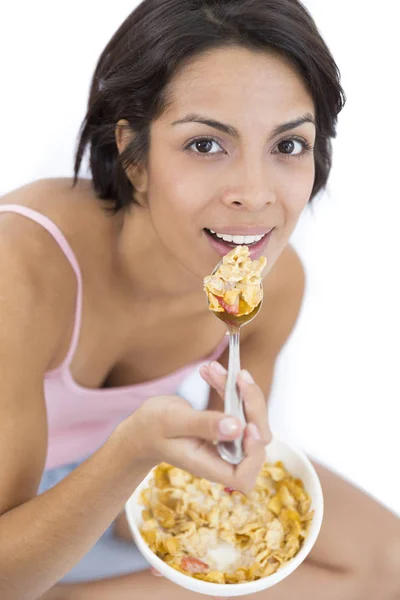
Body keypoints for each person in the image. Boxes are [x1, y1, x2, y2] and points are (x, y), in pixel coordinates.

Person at [0, 0, 398, 599]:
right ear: (133, 156)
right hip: (28, 504)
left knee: (387, 560)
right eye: (207, 145)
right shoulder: (19, 270)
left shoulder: (274, 284)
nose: (255, 194)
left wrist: (223, 451)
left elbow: (226, 452)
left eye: (288, 146)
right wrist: (129, 454)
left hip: (122, 475)